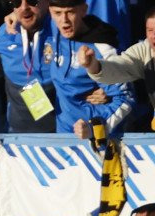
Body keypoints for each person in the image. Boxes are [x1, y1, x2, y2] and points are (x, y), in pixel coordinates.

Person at [46, 0, 134, 138]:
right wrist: (14, 14)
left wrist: (95, 129)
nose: (64, 20)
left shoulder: (102, 49)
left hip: (98, 143)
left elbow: (126, 98)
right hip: (63, 139)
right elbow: (31, 17)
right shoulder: (56, 30)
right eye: (57, 13)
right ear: (50, 12)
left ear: (84, 10)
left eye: (70, 12)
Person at [77, 3, 155, 127]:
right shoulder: (145, 50)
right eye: (150, 30)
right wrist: (94, 66)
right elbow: (121, 66)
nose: (154, 35)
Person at [0, 0, 56, 133]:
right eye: (16, 2)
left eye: (32, 1)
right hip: (18, 136)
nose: (24, 7)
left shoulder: (62, 29)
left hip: (63, 135)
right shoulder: (5, 33)